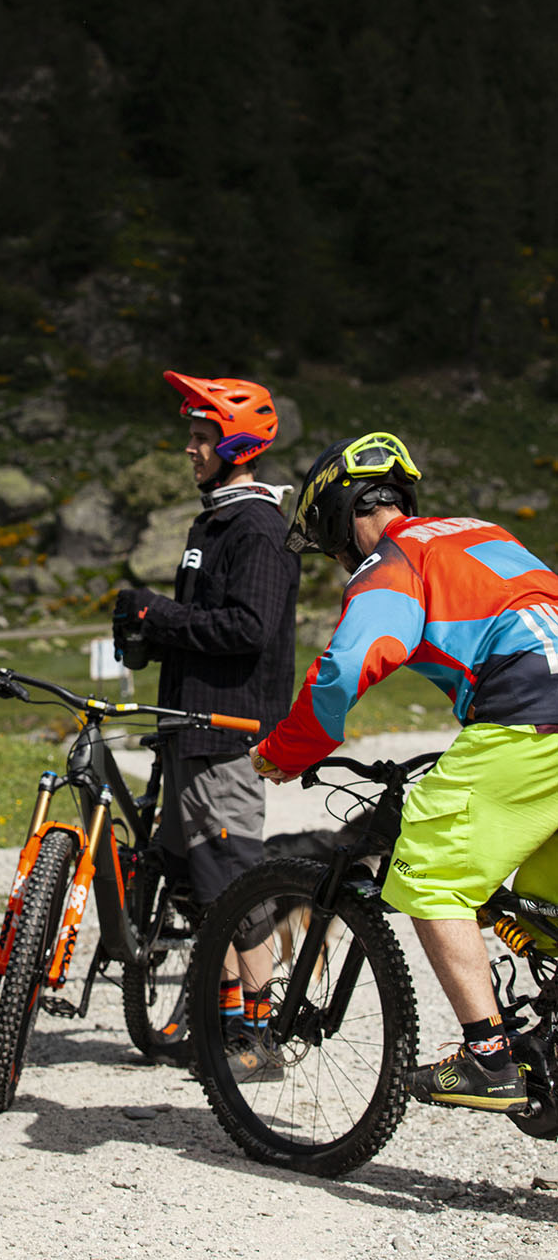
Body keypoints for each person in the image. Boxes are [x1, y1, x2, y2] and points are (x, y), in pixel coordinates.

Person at [251, 431, 558, 1115]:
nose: (336, 559)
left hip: (531, 717)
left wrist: (285, 750)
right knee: (542, 909)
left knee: (426, 867)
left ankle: (487, 1058)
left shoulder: (391, 561)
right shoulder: (481, 532)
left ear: (339, 516)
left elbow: (345, 668)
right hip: (539, 715)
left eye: (330, 543)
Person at [112, 374, 300, 1075]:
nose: (187, 449)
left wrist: (158, 613)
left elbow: (248, 630)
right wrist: (147, 627)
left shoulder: (256, 527)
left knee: (232, 880)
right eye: (190, 436)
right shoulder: (213, 521)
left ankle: (260, 1037)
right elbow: (205, 631)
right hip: (188, 727)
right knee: (194, 884)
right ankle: (218, 1023)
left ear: (236, 444)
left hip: (227, 733)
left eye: (201, 438)